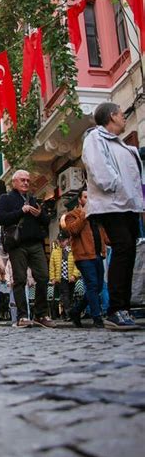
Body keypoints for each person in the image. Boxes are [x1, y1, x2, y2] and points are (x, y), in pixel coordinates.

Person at [82, 102, 142, 330]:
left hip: (127, 205)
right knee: (123, 248)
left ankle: (123, 308)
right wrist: (115, 187)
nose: (124, 117)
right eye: (120, 113)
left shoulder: (120, 144)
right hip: (112, 205)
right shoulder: (95, 138)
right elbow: (99, 169)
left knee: (127, 253)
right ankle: (115, 309)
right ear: (111, 117)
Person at [0, 169, 54, 328]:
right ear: (14, 182)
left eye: (28, 180)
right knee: (20, 280)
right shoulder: (5, 198)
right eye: (22, 180)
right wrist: (21, 211)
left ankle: (41, 314)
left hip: (35, 244)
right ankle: (22, 316)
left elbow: (47, 221)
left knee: (43, 277)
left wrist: (39, 214)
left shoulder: (33, 199)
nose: (26, 182)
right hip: (17, 244)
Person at [63, 186, 108, 328]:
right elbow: (73, 230)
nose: (88, 200)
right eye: (85, 197)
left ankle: (75, 311)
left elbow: (104, 234)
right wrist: (84, 213)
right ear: (80, 200)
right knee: (92, 285)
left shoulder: (96, 216)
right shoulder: (73, 214)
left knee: (98, 286)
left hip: (97, 255)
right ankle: (97, 317)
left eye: (90, 197)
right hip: (83, 256)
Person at [49, 234, 80, 320]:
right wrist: (52, 278)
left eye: (63, 240)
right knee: (65, 294)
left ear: (67, 240)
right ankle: (69, 314)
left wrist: (74, 275)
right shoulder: (55, 252)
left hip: (70, 278)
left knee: (69, 295)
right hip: (61, 278)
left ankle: (64, 314)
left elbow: (76, 264)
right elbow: (52, 266)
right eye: (60, 241)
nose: (61, 243)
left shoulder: (72, 251)